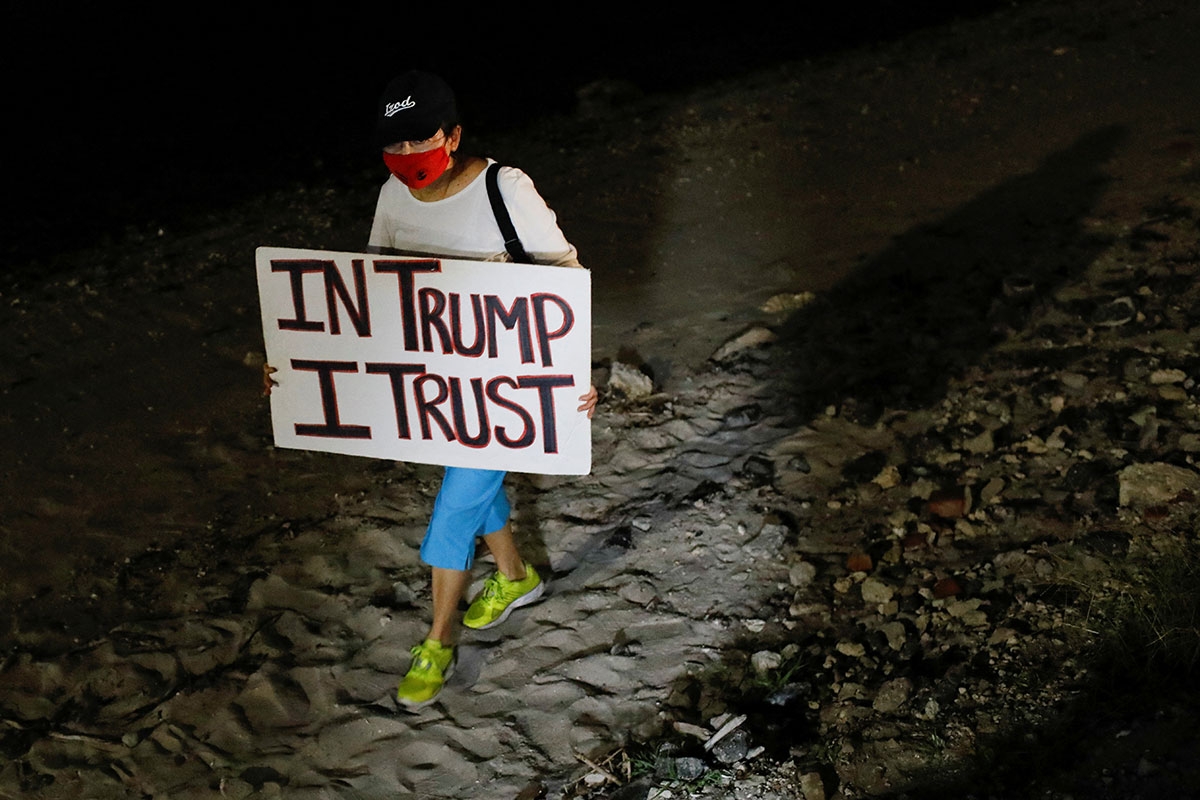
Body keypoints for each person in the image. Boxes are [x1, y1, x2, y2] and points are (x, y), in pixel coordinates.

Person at [269, 70, 596, 708]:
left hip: (511, 387)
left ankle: (439, 640)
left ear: (453, 135)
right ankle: (514, 576)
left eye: (421, 141)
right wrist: (298, 361)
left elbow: (566, 279)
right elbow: (372, 295)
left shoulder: (507, 189)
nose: (407, 158)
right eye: (395, 146)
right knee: (473, 484)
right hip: (444, 393)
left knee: (451, 513)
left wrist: (574, 375)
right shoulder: (392, 194)